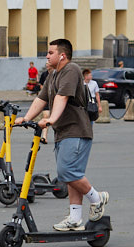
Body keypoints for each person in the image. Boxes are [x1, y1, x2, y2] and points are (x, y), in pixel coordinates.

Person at [15, 38, 108, 232]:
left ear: (62, 55)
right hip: (64, 132)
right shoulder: (53, 75)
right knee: (73, 176)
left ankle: (97, 198)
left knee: (67, 172)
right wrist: (26, 117)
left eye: (50, 53)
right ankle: (75, 218)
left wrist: (51, 119)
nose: (47, 56)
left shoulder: (71, 70)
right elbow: (41, 100)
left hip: (76, 130)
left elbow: (62, 97)